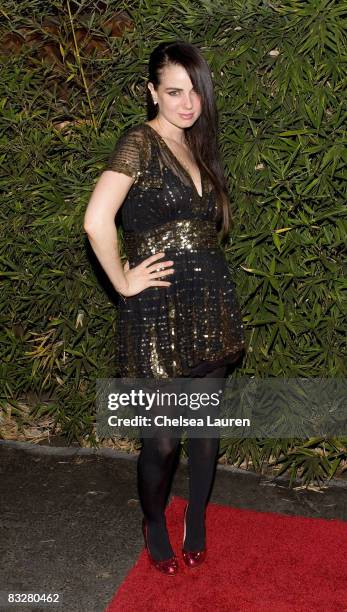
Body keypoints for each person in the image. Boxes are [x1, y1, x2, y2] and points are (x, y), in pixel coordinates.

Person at [84, 40, 245, 575]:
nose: (187, 101)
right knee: (163, 437)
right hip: (157, 310)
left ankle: (195, 517)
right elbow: (95, 219)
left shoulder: (198, 146)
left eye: (195, 90)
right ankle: (154, 520)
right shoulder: (140, 142)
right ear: (152, 92)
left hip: (210, 301)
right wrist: (123, 281)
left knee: (204, 429)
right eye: (174, 90)